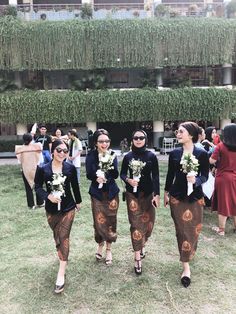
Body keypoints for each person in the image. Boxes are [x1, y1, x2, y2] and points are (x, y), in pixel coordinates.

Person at [164, 122, 209, 287]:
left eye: (181, 131)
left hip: (196, 197)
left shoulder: (202, 153)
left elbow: (205, 175)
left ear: (190, 135)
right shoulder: (175, 153)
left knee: (193, 230)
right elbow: (170, 175)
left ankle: (189, 253)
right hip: (177, 197)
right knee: (182, 231)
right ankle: (186, 267)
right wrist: (166, 193)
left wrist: (196, 180)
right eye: (177, 131)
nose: (178, 133)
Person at [35, 139, 82, 294]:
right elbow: (37, 187)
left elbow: (75, 186)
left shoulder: (70, 168)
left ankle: (61, 273)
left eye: (65, 151)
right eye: (59, 150)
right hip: (51, 209)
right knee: (57, 236)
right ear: (53, 150)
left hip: (68, 207)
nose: (62, 153)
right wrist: (48, 196)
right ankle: (61, 253)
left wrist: (78, 202)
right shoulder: (43, 169)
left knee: (64, 236)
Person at [120, 130, 160, 275]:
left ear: (145, 139)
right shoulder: (128, 156)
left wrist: (157, 194)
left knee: (149, 224)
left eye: (141, 138)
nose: (138, 140)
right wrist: (128, 180)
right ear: (132, 140)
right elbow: (122, 173)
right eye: (135, 137)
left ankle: (142, 243)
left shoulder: (151, 156)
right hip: (132, 194)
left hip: (148, 194)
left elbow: (155, 176)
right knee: (136, 224)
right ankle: (137, 257)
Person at [85, 129, 119, 266]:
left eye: (106, 141)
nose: (104, 144)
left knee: (111, 220)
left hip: (111, 192)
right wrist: (96, 177)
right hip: (97, 194)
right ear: (96, 143)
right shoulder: (91, 155)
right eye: (101, 141)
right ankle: (100, 245)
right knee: (98, 220)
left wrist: (106, 174)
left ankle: (109, 249)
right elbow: (88, 174)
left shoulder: (112, 154)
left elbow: (116, 174)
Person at [210, 123, 236, 236]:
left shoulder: (220, 146)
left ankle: (221, 230)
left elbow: (211, 160)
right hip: (235, 176)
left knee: (223, 203)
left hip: (223, 177)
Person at [15, 133, 44, 209]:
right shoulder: (37, 147)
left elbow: (19, 161)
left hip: (25, 169)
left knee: (28, 188)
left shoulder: (20, 149)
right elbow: (40, 159)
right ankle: (40, 203)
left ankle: (31, 205)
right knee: (38, 186)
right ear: (31, 139)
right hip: (36, 168)